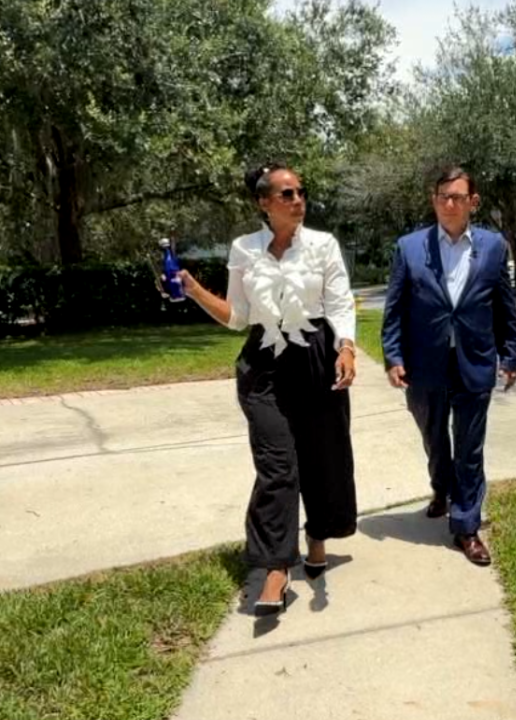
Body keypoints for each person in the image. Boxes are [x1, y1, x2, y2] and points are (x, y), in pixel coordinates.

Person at [175, 162, 359, 616]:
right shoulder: (244, 248)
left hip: (317, 354)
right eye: (286, 193)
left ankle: (316, 538)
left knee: (324, 456)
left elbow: (338, 301)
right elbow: (238, 316)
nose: (297, 200)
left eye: (300, 192)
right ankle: (276, 567)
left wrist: (347, 348)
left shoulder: (322, 245)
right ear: (263, 202)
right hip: (264, 363)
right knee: (278, 463)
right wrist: (196, 291)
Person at [381, 166, 516, 566]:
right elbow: (394, 310)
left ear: (472, 202)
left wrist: (510, 354)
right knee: (434, 438)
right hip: (424, 365)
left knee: (470, 448)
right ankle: (441, 488)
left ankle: (466, 526)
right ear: (434, 199)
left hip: (475, 362)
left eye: (457, 196)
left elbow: (504, 306)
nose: (449, 203)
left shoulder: (494, 247)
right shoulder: (409, 247)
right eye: (442, 195)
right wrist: (393, 356)